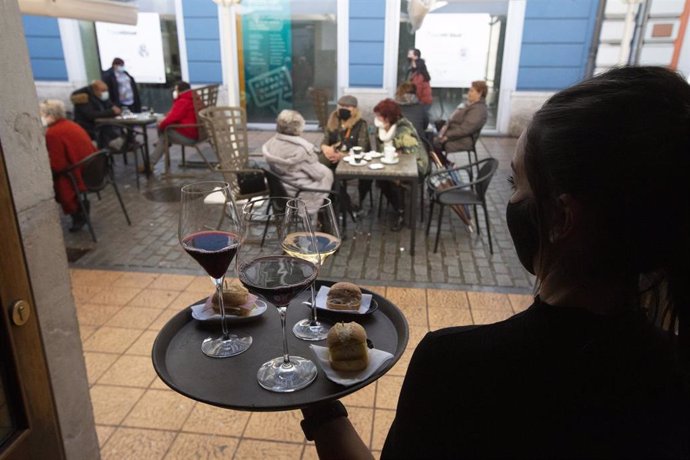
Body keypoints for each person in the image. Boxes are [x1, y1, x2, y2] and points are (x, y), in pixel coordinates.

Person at [299, 67, 690, 459]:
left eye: (516, 182)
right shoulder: (672, 374)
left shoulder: (458, 367)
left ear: (561, 219)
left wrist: (321, 408)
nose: (513, 200)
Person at [40, 99, 97, 232]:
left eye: (41, 114)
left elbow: (56, 165)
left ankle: (78, 212)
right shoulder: (71, 124)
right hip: (93, 170)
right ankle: (80, 209)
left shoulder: (53, 133)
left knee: (57, 180)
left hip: (79, 174)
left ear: (49, 115)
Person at [373, 98, 428, 231]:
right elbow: (381, 150)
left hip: (416, 167)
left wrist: (396, 157)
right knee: (380, 179)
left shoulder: (403, 130)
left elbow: (411, 158)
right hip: (393, 163)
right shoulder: (382, 129)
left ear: (388, 117)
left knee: (395, 181)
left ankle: (402, 214)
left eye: (380, 116)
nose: (377, 118)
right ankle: (398, 206)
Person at [263, 110, 334, 213]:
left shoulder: (270, 144)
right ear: (298, 128)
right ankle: (326, 220)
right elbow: (318, 175)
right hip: (299, 192)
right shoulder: (301, 150)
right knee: (331, 181)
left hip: (280, 190)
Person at [319, 95, 372, 209]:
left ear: (354, 109)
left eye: (348, 106)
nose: (344, 108)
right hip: (333, 156)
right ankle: (331, 201)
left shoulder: (361, 124)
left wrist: (342, 156)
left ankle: (344, 203)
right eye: (341, 106)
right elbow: (324, 141)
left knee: (330, 175)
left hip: (352, 160)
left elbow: (362, 149)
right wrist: (326, 149)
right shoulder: (333, 120)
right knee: (321, 169)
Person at [147, 81, 199, 171]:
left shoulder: (183, 101)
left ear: (179, 90)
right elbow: (175, 114)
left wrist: (161, 125)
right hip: (195, 132)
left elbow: (172, 118)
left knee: (164, 132)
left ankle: (151, 163)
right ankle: (161, 144)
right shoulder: (193, 97)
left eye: (175, 90)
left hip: (189, 136)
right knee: (164, 132)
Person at [435, 80, 488, 158]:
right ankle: (442, 164)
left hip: (463, 140)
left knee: (430, 145)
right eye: (469, 90)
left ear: (479, 93)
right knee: (428, 137)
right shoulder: (470, 105)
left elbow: (464, 130)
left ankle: (446, 165)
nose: (469, 93)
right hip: (455, 135)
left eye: (472, 91)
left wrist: (446, 135)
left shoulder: (478, 110)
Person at [70, 80, 123, 149]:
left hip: (101, 126)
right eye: (103, 91)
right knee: (107, 132)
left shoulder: (99, 95)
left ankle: (117, 145)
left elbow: (109, 104)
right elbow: (91, 115)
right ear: (95, 90)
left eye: (106, 91)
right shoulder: (82, 96)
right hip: (87, 127)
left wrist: (115, 109)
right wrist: (111, 112)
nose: (105, 93)